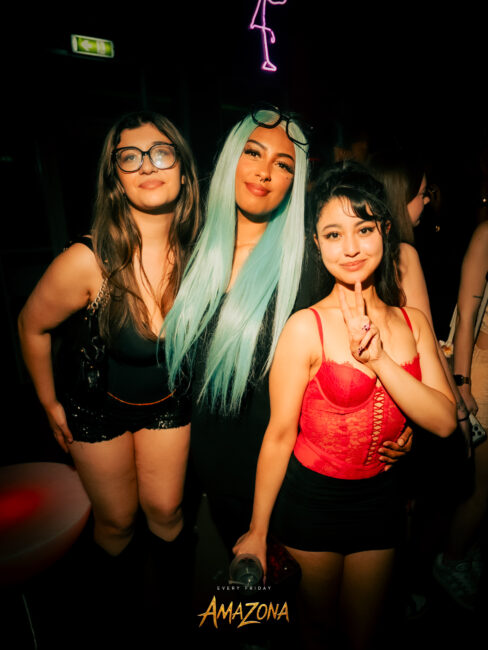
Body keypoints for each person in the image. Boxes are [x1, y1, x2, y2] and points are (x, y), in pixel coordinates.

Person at [163, 107, 409, 560]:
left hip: (281, 478)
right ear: (231, 157)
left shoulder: (309, 264)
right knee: (232, 588)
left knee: (283, 595)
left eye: (283, 164)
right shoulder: (189, 247)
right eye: (253, 153)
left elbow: (371, 332)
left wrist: (398, 417)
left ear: (295, 182)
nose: (265, 172)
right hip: (203, 469)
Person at [233, 161, 457, 650]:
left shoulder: (413, 322)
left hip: (382, 502)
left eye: (364, 229)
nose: (351, 248)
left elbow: (444, 422)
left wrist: (378, 359)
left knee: (364, 638)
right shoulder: (304, 327)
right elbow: (279, 435)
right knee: (315, 635)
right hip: (311, 503)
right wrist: (257, 531)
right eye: (333, 234)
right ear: (317, 244)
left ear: (386, 231)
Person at [17, 111, 202, 641]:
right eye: (130, 157)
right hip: (96, 409)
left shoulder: (202, 254)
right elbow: (31, 325)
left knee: (167, 512)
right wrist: (49, 404)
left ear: (183, 170)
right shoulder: (88, 259)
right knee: (118, 524)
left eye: (161, 153)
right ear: (115, 176)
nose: (147, 166)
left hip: (168, 403)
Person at [432, 219, 488, 610]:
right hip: (482, 373)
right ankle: (450, 560)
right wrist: (463, 385)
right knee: (482, 488)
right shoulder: (487, 234)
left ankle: (463, 551)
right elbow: (466, 317)